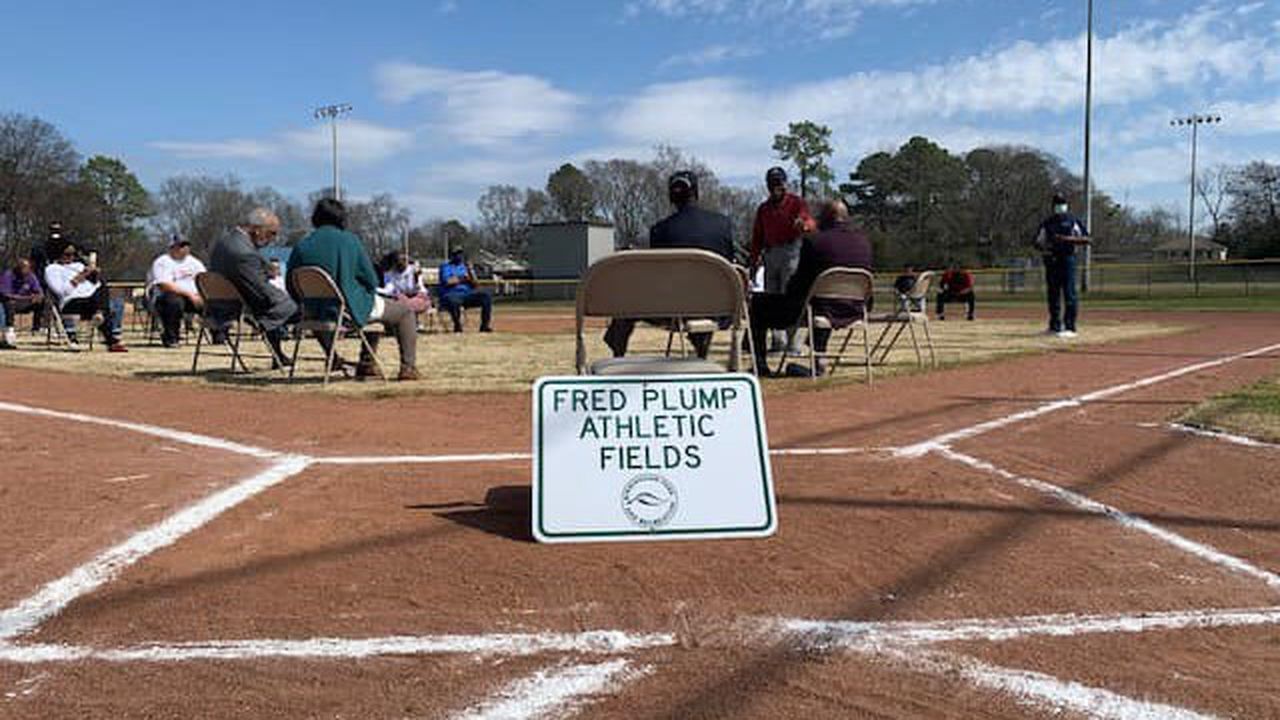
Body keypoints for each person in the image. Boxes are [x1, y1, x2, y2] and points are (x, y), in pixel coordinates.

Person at [603, 171, 735, 359]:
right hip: (719, 311)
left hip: (674, 310)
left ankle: (617, 355)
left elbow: (658, 277)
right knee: (700, 294)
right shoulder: (723, 224)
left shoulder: (660, 230)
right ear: (696, 192)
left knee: (629, 300)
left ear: (671, 197)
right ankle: (701, 346)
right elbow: (730, 266)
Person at [290, 198, 421, 381]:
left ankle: (361, 362)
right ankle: (408, 368)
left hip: (313, 311)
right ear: (341, 218)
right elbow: (372, 280)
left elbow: (291, 284)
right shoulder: (349, 241)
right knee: (405, 312)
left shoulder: (301, 246)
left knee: (365, 302)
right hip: (346, 310)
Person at [750, 199, 872, 376]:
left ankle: (760, 364)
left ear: (823, 219)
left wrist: (789, 293)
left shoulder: (815, 242)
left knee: (759, 304)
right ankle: (820, 357)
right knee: (822, 301)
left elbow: (798, 284)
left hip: (819, 308)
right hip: (855, 307)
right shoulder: (864, 243)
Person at [209, 208, 298, 360]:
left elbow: (249, 267)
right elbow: (262, 292)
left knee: (275, 304)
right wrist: (290, 301)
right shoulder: (245, 253)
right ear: (257, 230)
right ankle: (332, 356)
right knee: (297, 308)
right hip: (240, 305)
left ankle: (278, 356)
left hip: (218, 302)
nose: (273, 239)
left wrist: (264, 268)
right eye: (272, 233)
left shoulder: (223, 243)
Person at [749, 167, 815, 351]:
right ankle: (777, 340)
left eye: (779, 182)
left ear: (785, 182)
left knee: (790, 298)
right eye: (773, 183)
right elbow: (757, 237)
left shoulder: (796, 202)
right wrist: (753, 261)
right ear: (768, 185)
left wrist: (805, 226)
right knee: (771, 297)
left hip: (791, 251)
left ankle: (792, 341)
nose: (777, 186)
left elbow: (808, 221)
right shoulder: (763, 208)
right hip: (770, 254)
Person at [42, 241, 127, 352]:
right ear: (59, 254)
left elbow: (95, 284)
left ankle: (100, 315)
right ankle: (111, 340)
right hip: (71, 301)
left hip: (91, 299)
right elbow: (61, 291)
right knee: (103, 307)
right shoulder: (52, 269)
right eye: (68, 254)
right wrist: (80, 277)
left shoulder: (78, 265)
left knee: (104, 287)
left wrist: (94, 275)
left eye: (73, 254)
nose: (71, 257)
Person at [1034, 192, 1090, 337]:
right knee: (1053, 294)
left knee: (1069, 293)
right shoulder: (1048, 222)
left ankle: (1070, 327)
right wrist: (1045, 248)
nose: (1060, 206)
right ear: (1053, 206)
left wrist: (1066, 239)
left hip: (1068, 259)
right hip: (1052, 260)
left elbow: (1087, 239)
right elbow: (1038, 242)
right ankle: (1054, 326)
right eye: (1057, 203)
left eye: (1062, 203)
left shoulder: (1072, 221)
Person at [146, 235, 206, 347]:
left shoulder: (195, 263)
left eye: (187, 245)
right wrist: (189, 295)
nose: (185, 248)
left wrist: (202, 295)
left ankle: (219, 335)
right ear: (172, 247)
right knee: (174, 301)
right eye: (181, 245)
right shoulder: (162, 262)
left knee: (216, 302)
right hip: (165, 299)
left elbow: (205, 280)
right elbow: (164, 285)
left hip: (194, 297)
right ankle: (171, 338)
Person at [437, 249, 492, 333]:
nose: (459, 256)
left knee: (486, 296)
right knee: (453, 300)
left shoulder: (465, 267)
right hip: (451, 294)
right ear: (452, 256)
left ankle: (484, 326)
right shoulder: (445, 267)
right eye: (457, 254)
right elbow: (448, 281)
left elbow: (475, 284)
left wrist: (471, 271)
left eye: (460, 254)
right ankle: (457, 326)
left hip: (467, 294)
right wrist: (462, 278)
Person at [0, 258, 46, 348]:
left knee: (41, 302)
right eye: (23, 268)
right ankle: (10, 330)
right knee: (10, 303)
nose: (26, 271)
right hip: (9, 303)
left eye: (27, 268)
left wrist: (38, 297)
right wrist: (28, 298)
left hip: (25, 302)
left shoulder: (31, 276)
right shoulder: (8, 275)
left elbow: (39, 292)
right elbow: (6, 295)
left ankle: (37, 327)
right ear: (18, 268)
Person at [381, 250, 433, 324]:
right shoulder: (389, 274)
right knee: (398, 302)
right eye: (398, 262)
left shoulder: (414, 270)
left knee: (409, 304)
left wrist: (417, 277)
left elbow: (417, 288)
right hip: (402, 298)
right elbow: (389, 290)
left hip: (418, 296)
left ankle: (413, 322)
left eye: (404, 260)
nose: (402, 263)